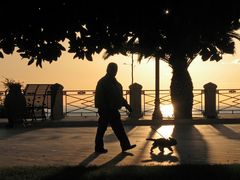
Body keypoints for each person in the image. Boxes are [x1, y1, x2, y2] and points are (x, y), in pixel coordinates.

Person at [94, 62, 136, 153]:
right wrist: (103, 107)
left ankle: (125, 145)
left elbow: (118, 96)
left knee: (119, 128)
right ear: (108, 69)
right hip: (105, 110)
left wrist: (126, 105)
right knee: (101, 129)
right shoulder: (102, 82)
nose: (114, 71)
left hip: (113, 110)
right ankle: (98, 147)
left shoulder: (116, 84)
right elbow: (99, 96)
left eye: (115, 70)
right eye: (113, 69)